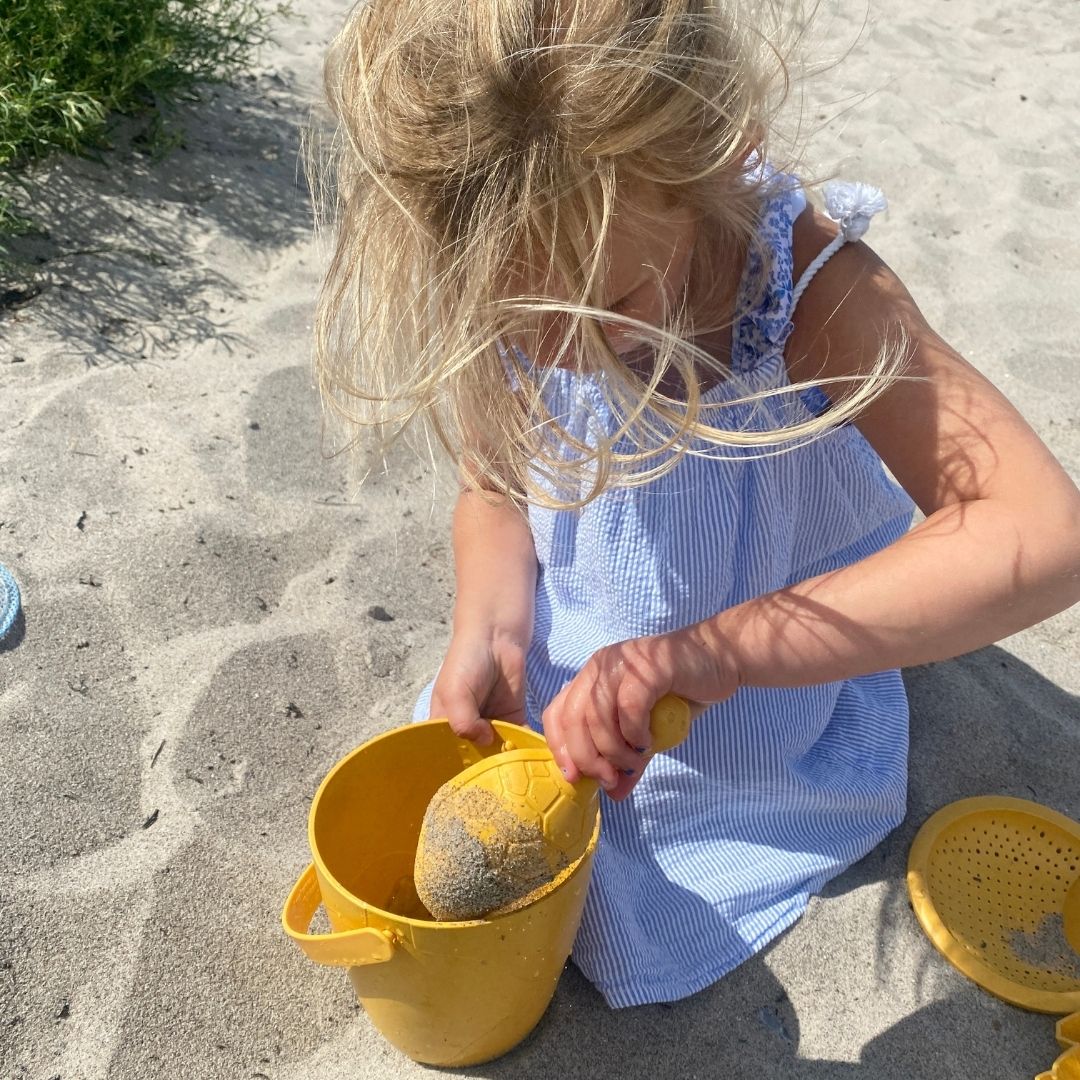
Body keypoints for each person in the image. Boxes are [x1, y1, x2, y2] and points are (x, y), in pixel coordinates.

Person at [312, 0, 1080, 1006]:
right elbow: (494, 481)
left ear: (717, 158)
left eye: (613, 310)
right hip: (573, 667)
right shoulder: (516, 233)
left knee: (639, 926)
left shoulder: (803, 289)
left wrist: (712, 653)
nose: (558, 352)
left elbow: (1039, 535)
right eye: (513, 319)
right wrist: (489, 619)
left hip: (764, 695)